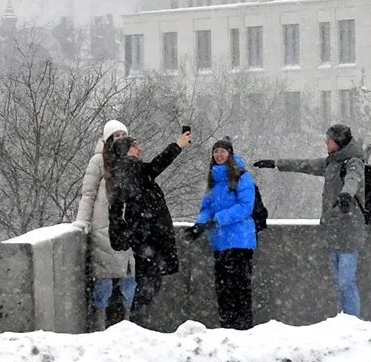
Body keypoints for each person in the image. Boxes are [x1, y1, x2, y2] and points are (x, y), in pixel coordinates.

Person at [255, 123, 371, 319]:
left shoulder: (354, 162)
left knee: (347, 281)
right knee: (339, 283)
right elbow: (305, 165)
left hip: (349, 230)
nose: (326, 142)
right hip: (332, 230)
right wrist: (276, 163)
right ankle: (343, 318)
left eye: (329, 139)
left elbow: (353, 179)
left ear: (338, 141)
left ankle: (353, 323)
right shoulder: (331, 162)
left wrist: (346, 195)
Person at [108, 125, 191, 326]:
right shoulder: (129, 168)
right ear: (125, 151)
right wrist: (178, 145)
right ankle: (138, 326)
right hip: (147, 238)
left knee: (148, 284)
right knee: (147, 285)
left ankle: (139, 325)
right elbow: (156, 165)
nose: (140, 149)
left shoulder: (126, 170)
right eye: (135, 146)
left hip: (146, 237)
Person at [185, 136, 259, 329]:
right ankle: (228, 326)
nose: (219, 155)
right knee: (224, 289)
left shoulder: (242, 177)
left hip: (240, 242)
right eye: (216, 151)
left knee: (240, 288)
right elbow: (206, 208)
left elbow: (245, 207)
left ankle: (242, 327)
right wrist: (200, 224)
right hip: (220, 242)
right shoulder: (214, 181)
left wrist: (217, 219)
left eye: (222, 151)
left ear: (230, 154)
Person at [74, 119, 135, 325]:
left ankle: (128, 321)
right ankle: (99, 323)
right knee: (104, 278)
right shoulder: (98, 161)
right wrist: (82, 220)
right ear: (108, 138)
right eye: (115, 135)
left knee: (129, 277)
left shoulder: (132, 157)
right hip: (103, 227)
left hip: (127, 225)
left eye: (122, 134)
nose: (120, 139)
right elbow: (88, 193)